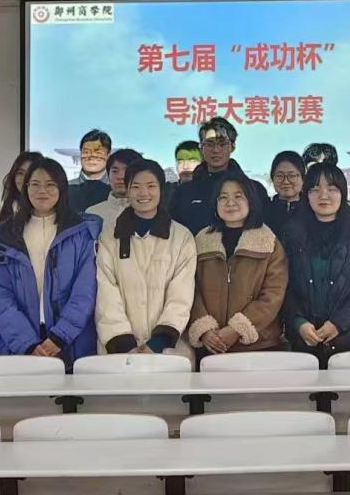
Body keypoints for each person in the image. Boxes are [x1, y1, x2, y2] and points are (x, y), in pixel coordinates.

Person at [0, 155, 99, 368]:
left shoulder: (82, 233)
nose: (42, 191)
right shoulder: (1, 236)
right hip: (18, 347)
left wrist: (60, 337)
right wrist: (27, 343)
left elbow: (85, 291)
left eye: (50, 184)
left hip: (71, 344)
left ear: (62, 188)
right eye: (35, 184)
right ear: (25, 188)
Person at [281, 163, 350, 367]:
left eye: (332, 189)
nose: (323, 196)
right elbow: (282, 284)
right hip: (304, 341)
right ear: (306, 195)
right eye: (315, 189)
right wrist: (299, 323)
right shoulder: (292, 233)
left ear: (342, 193)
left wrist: (339, 324)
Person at [97, 159, 196, 355]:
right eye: (136, 187)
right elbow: (106, 292)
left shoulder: (181, 237)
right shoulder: (109, 237)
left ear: (161, 189)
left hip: (168, 351)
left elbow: (181, 295)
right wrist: (124, 344)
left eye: (151, 186)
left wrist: (158, 343)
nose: (144, 193)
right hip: (121, 353)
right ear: (127, 190)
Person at [187, 173, 288, 359]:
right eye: (223, 197)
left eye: (238, 196)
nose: (230, 203)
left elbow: (273, 294)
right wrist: (205, 330)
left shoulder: (269, 242)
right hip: (211, 345)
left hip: (258, 346)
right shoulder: (200, 241)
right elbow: (190, 289)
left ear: (251, 201)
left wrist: (236, 329)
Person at [171, 117, 265, 235]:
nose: (216, 150)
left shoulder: (254, 190)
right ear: (201, 147)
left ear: (232, 146)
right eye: (210, 144)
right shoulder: (183, 192)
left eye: (222, 144)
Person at [88, 148, 142, 233]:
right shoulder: (92, 213)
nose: (120, 177)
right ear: (108, 175)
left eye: (127, 170)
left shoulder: (151, 213)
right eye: (115, 171)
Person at [70, 129, 112, 211]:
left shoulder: (117, 190)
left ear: (108, 155)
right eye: (86, 152)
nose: (91, 157)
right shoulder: (64, 189)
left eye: (98, 153)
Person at [266, 151, 305, 239]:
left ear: (303, 179)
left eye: (292, 176)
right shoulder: (263, 211)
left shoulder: (313, 210)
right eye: (279, 176)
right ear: (272, 179)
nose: (286, 181)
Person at [0, 151, 40, 218]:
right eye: (20, 173)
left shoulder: (51, 212)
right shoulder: (5, 209)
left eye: (31, 173)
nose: (25, 178)